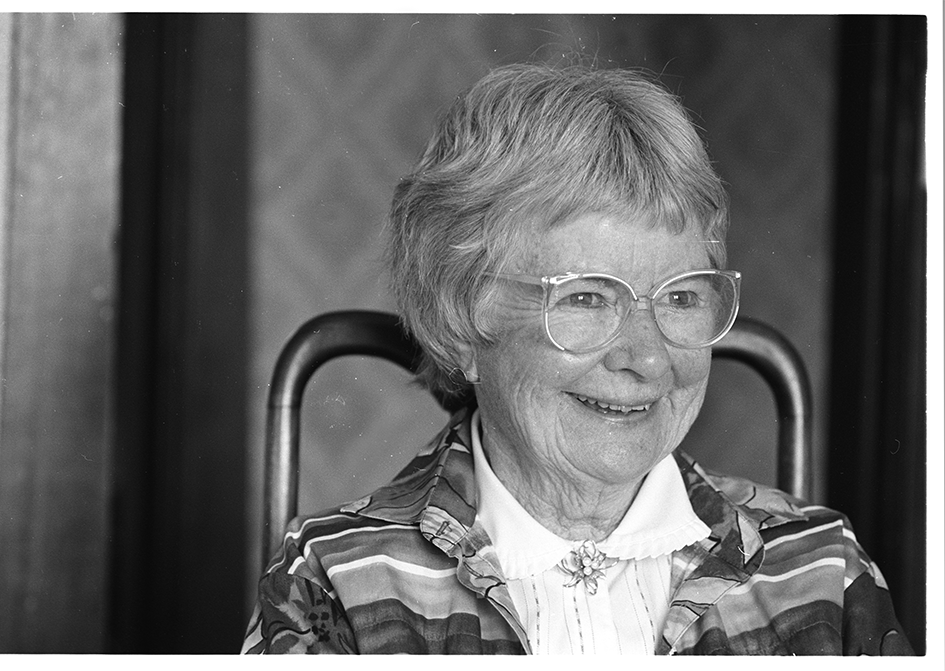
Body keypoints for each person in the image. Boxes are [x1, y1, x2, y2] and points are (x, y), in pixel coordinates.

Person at [241, 63, 913, 655]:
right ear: (459, 320)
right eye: (589, 298)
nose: (648, 358)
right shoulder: (339, 581)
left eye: (680, 297)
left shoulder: (823, 572)